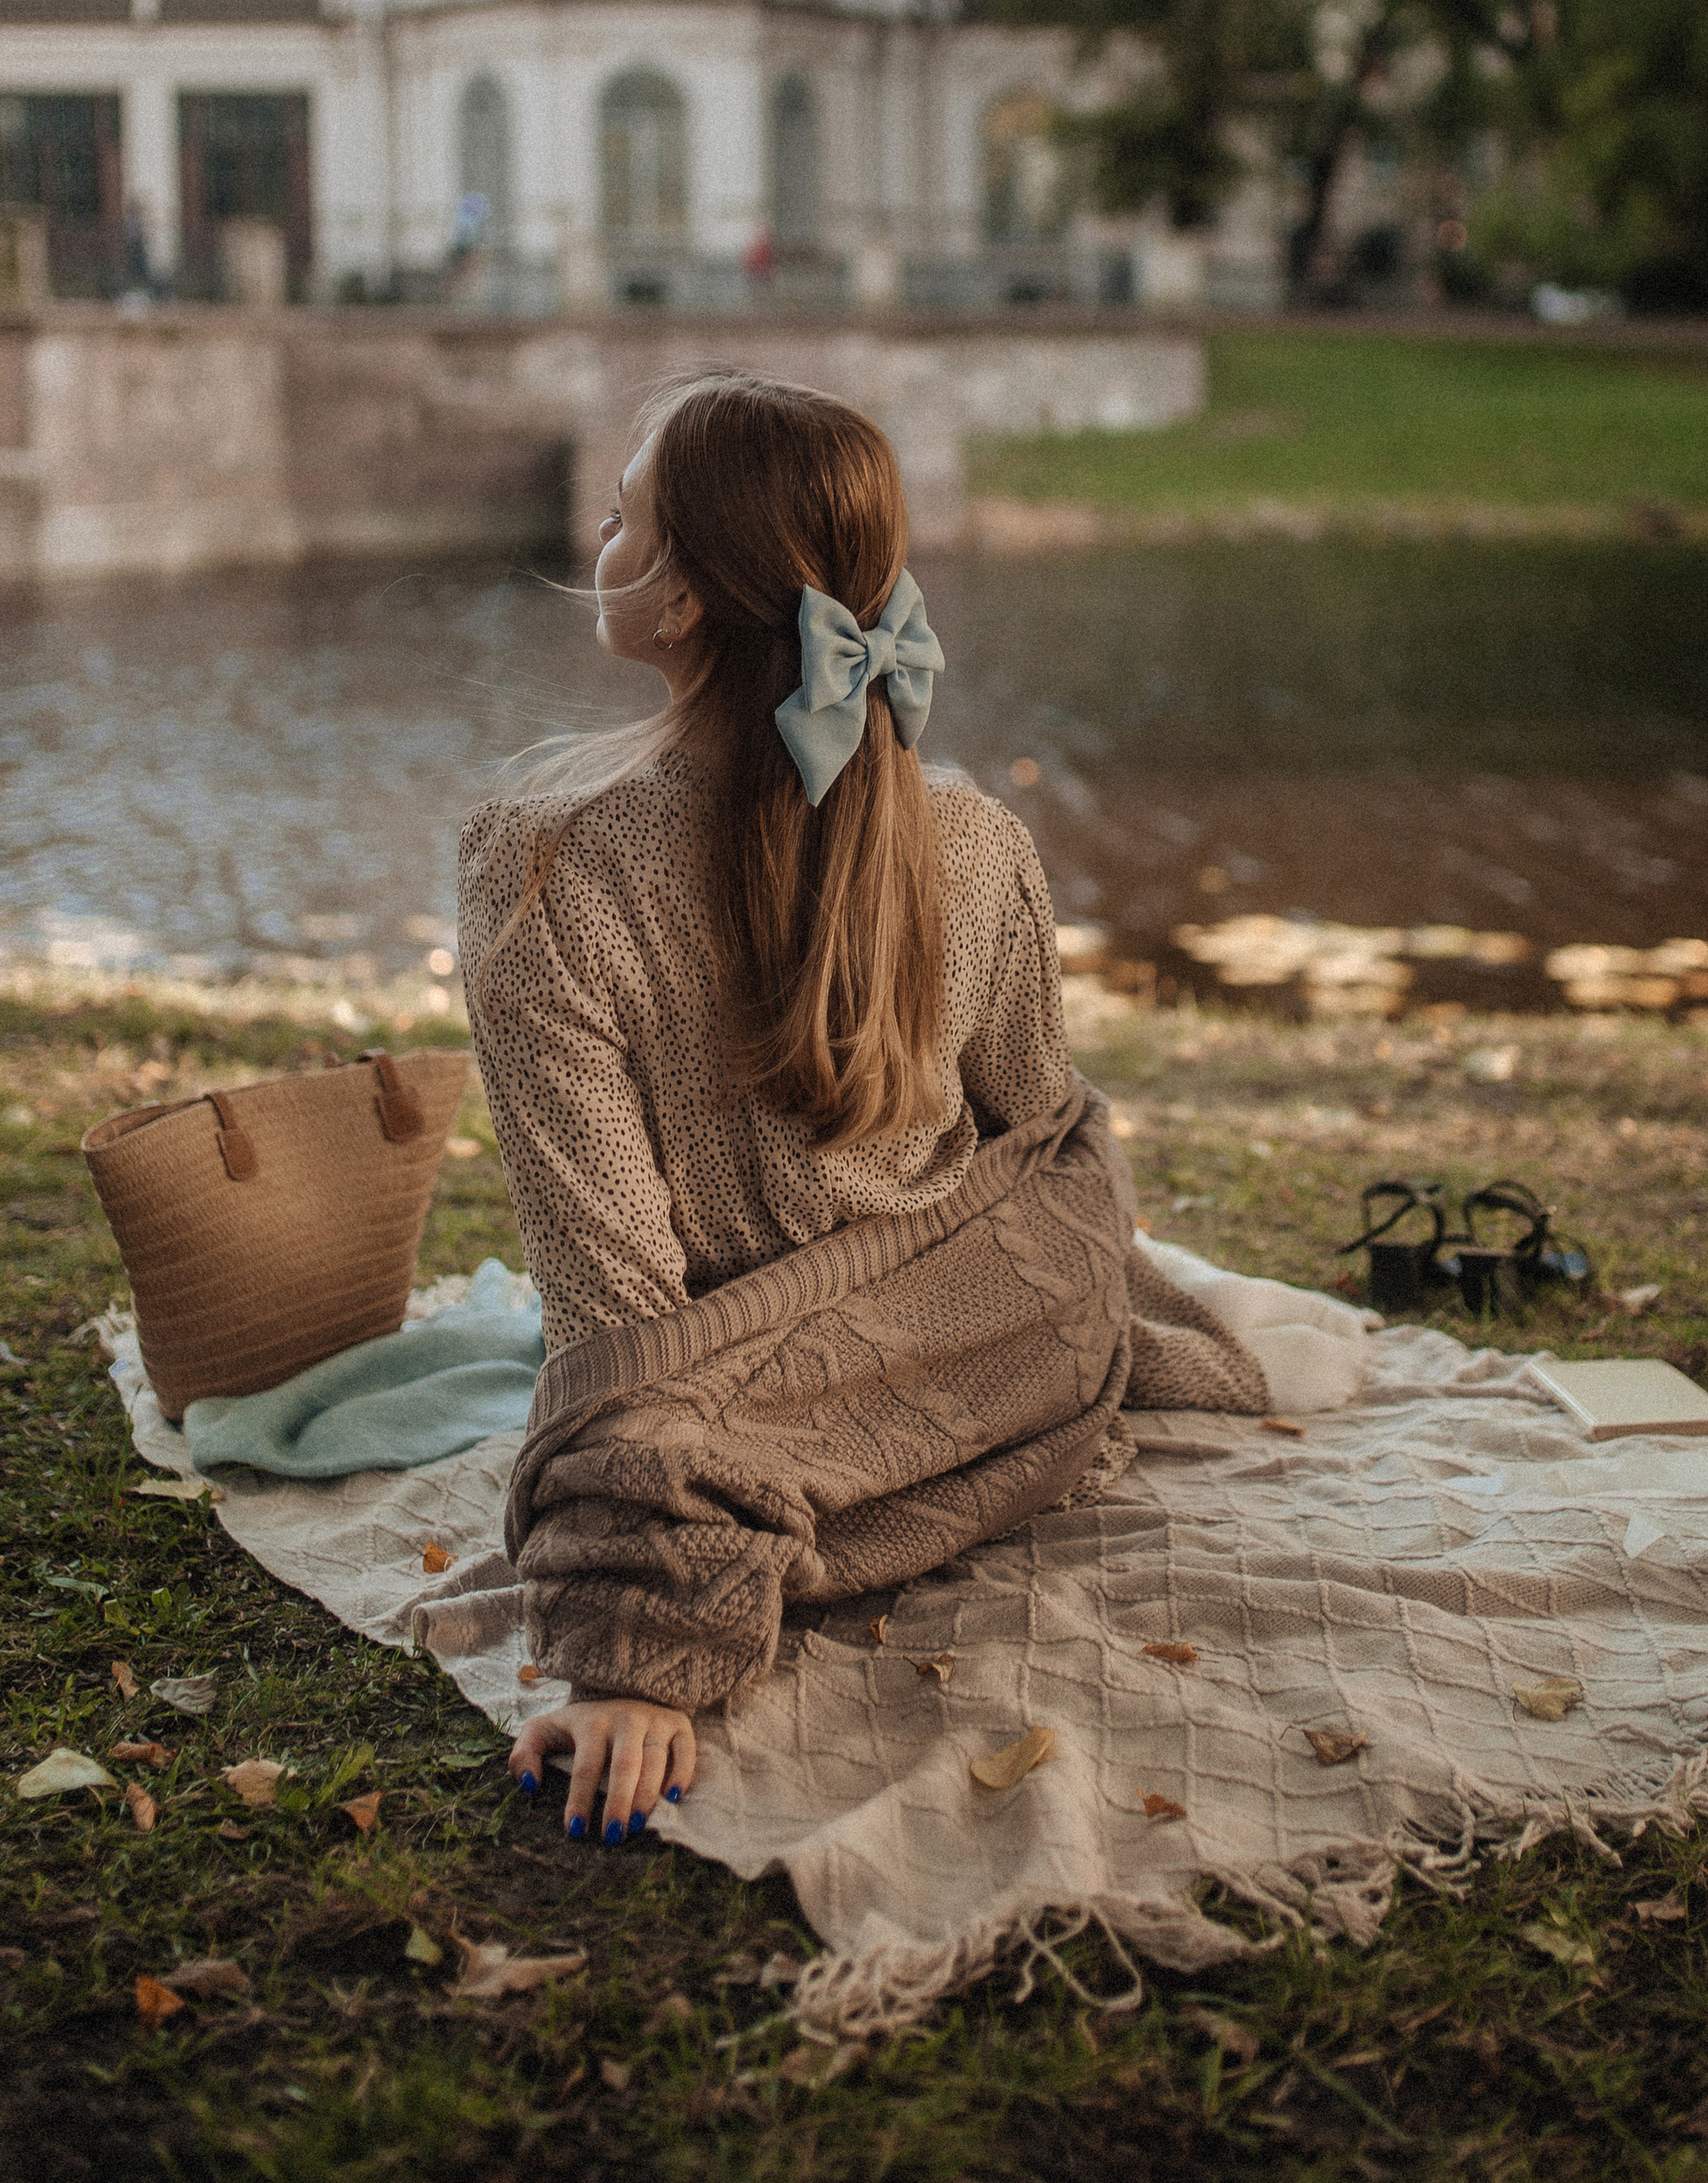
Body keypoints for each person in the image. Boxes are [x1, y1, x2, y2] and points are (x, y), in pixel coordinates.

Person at [457, 374, 1273, 1853]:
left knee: (615, 1414)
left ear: (693, 598)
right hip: (1007, 1353)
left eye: (627, 514)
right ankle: (890, 1445)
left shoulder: (538, 863)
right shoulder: (978, 832)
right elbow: (1049, 1140)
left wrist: (635, 1645)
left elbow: (615, 1302)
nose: (601, 530)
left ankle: (770, 1488)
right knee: (1056, 1234)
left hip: (750, 1405)